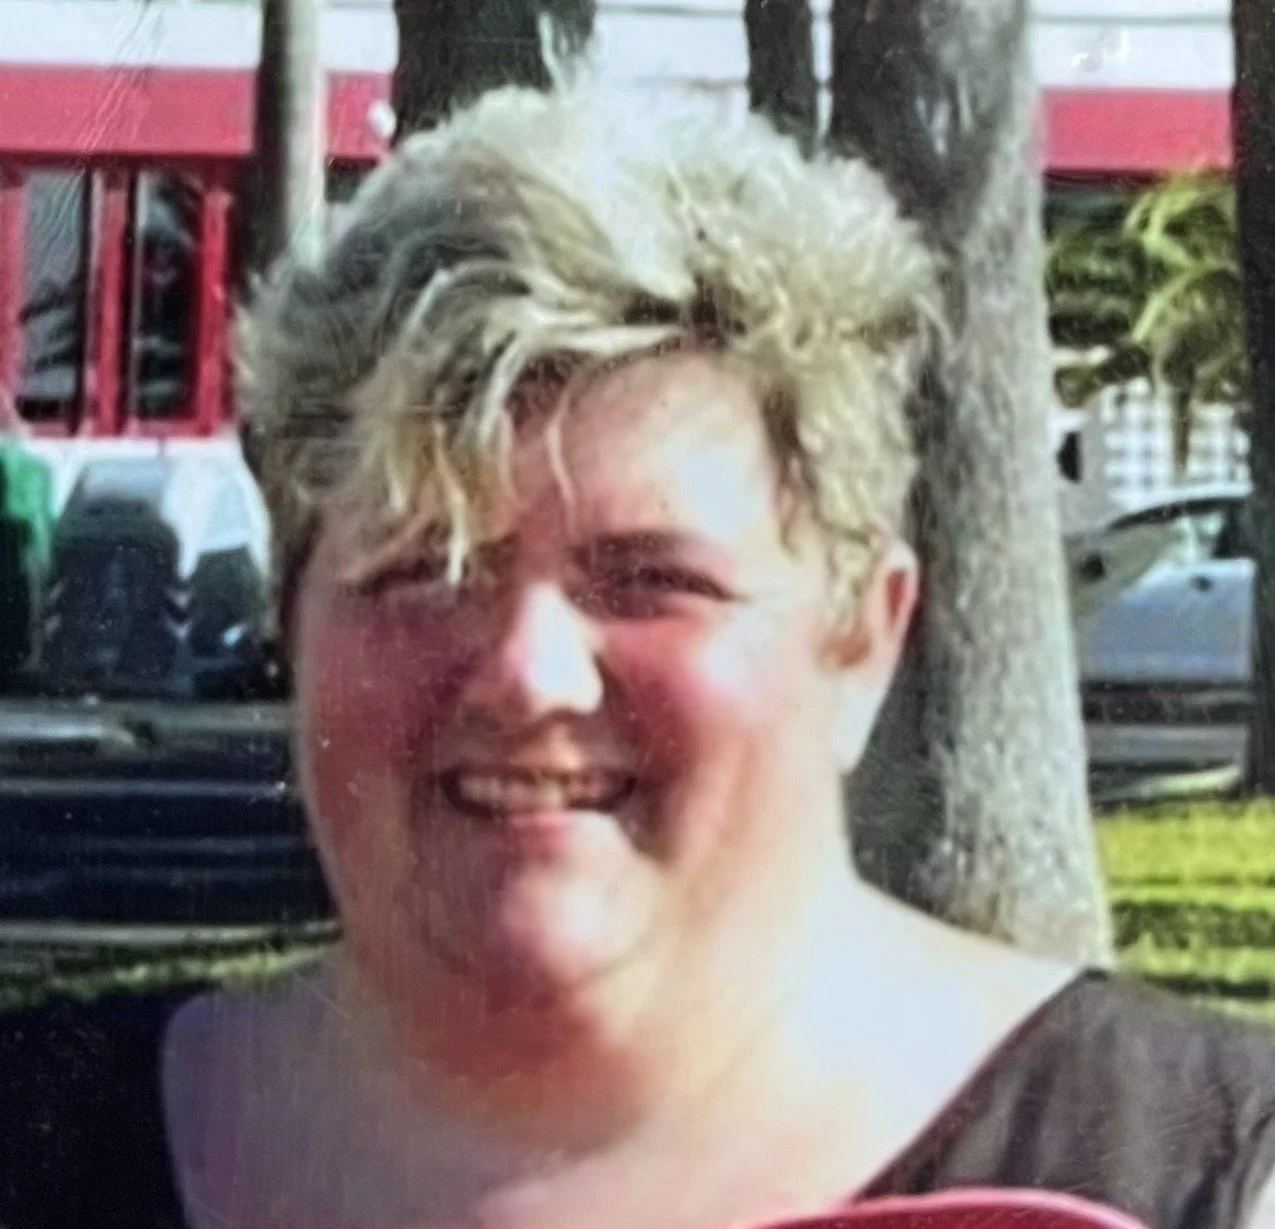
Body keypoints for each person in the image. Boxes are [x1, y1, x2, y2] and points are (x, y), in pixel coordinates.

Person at [1, 82, 1274, 1229]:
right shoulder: (35, 1140)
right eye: (424, 568)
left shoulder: (1191, 1173)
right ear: (294, 620)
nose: (525, 670)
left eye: (650, 579)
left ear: (861, 637)